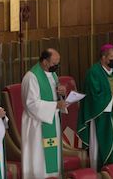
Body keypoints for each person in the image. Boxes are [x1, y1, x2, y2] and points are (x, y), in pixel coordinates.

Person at [77, 44, 113, 170]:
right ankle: (104, 172)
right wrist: (112, 98)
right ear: (103, 58)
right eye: (112, 57)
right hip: (102, 118)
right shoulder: (94, 73)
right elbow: (93, 97)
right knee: (105, 148)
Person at [21, 49, 68, 179]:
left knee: (52, 156)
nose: (56, 65)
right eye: (54, 62)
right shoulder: (31, 77)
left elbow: (55, 98)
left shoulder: (52, 75)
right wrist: (55, 105)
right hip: (37, 124)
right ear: (45, 61)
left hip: (51, 120)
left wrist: (62, 94)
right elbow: (31, 104)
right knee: (39, 156)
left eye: (58, 62)